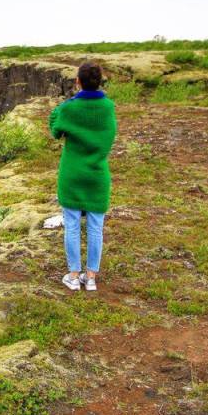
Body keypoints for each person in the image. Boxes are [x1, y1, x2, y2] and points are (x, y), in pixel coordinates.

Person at [48, 62, 117, 291]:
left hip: (72, 174)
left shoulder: (69, 108)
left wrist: (68, 103)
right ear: (100, 81)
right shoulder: (108, 107)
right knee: (96, 228)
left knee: (72, 226)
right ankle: (91, 278)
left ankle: (73, 276)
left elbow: (55, 128)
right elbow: (110, 135)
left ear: (78, 81)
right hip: (98, 175)